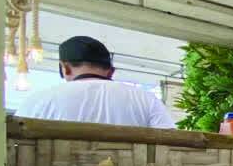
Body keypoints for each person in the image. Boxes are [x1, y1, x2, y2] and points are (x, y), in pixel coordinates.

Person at [16, 35, 176, 129]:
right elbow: (170, 142)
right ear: (111, 71)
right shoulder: (145, 99)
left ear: (65, 68)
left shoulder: (37, 102)